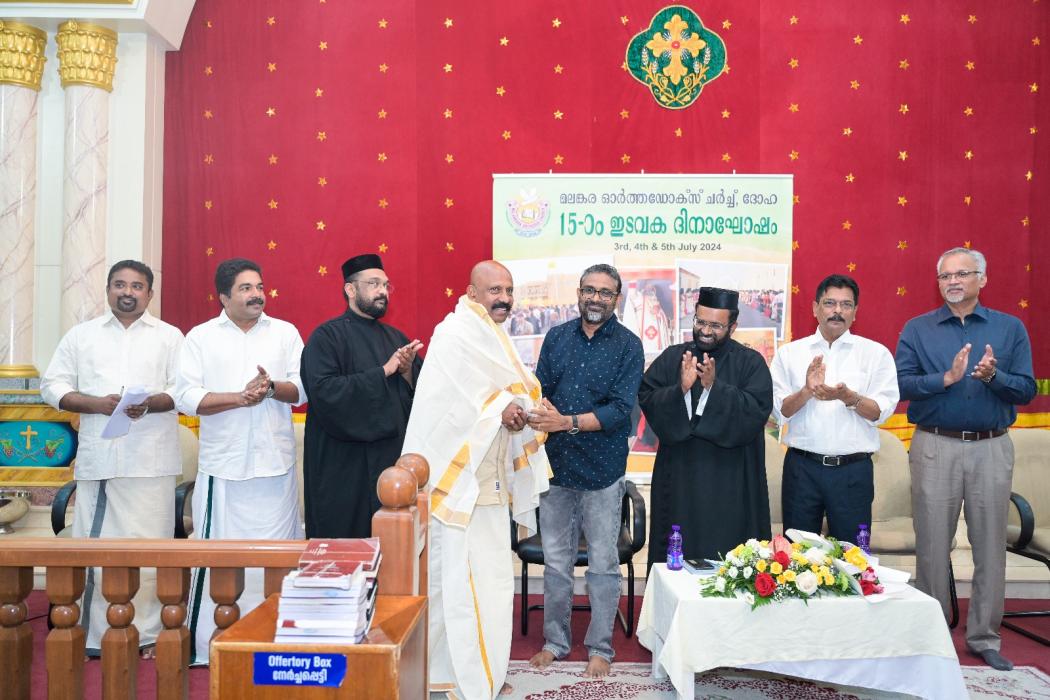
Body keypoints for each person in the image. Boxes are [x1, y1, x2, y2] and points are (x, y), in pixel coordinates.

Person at [402, 260, 550, 699]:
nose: (504, 298)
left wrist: (523, 409)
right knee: (460, 585)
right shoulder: (454, 334)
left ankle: (477, 671)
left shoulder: (493, 335)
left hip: (490, 482)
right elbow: (455, 404)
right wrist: (502, 409)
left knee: (489, 584)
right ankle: (464, 678)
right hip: (459, 485)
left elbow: (508, 393)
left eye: (508, 290)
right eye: (494, 290)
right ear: (471, 292)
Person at [896, 247, 1035, 671]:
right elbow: (900, 384)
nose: (953, 282)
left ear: (982, 279)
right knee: (932, 545)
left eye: (962, 274)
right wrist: (946, 379)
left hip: (991, 446)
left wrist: (994, 376)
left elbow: (1026, 389)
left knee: (990, 545)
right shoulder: (917, 329)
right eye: (945, 276)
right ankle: (932, 636)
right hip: (935, 445)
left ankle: (984, 638)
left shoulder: (1009, 328)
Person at [40, 260, 184, 658]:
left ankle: (149, 635)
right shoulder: (81, 336)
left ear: (149, 294)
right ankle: (95, 635)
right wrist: (95, 404)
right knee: (98, 551)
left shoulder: (170, 337)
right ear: (107, 290)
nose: (128, 292)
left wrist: (149, 403)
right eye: (120, 284)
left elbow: (184, 390)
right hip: (101, 461)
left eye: (137, 286)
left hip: (151, 463)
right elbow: (51, 386)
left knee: (151, 552)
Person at [175, 257, 307, 665]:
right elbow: (186, 397)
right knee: (221, 561)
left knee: (276, 561)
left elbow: (303, 389)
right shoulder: (201, 337)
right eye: (246, 288)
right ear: (224, 296)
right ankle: (212, 647)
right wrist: (239, 397)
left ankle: (275, 646)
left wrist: (271, 389)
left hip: (275, 469)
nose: (257, 295)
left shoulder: (285, 333)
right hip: (224, 471)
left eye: (260, 287)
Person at [527, 264, 644, 679]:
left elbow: (619, 411)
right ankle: (555, 643)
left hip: (602, 473)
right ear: (579, 293)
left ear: (617, 299)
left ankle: (600, 647)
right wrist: (537, 411)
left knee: (603, 565)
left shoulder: (629, 346)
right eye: (589, 290)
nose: (596, 298)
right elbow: (539, 391)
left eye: (605, 292)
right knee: (556, 563)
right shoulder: (557, 337)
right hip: (556, 470)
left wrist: (568, 422)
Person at [638, 287, 773, 568]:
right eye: (700, 322)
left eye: (715, 325)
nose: (706, 331)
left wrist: (714, 388)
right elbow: (648, 397)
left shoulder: (751, 363)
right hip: (680, 477)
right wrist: (680, 389)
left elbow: (755, 411)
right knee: (678, 552)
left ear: (732, 326)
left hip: (731, 480)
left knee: (729, 559)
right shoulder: (673, 357)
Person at [300, 253, 422, 538]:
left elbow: (420, 397)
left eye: (386, 285)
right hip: (342, 468)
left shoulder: (397, 338)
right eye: (374, 284)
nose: (383, 291)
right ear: (350, 289)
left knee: (392, 547)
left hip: (389, 465)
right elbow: (324, 392)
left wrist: (406, 371)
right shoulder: (326, 338)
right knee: (344, 548)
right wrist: (383, 372)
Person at [771, 275, 898, 542]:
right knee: (796, 555)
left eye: (846, 305)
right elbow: (780, 411)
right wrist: (806, 391)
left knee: (853, 556)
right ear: (815, 308)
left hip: (853, 471)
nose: (837, 311)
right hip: (802, 469)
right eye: (830, 303)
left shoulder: (876, 354)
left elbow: (880, 412)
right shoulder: (790, 353)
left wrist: (849, 397)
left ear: (855, 312)